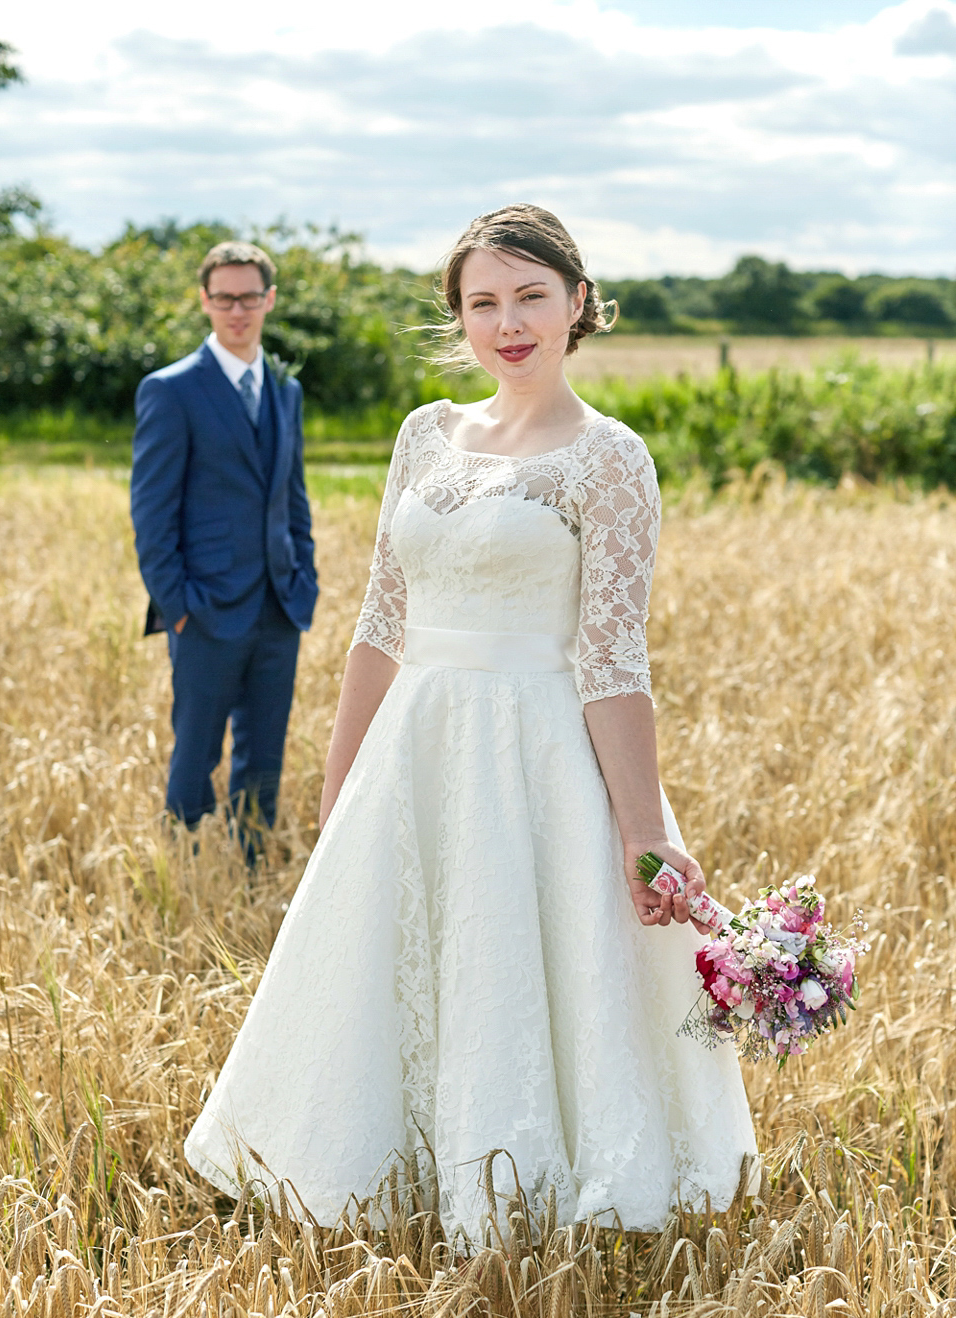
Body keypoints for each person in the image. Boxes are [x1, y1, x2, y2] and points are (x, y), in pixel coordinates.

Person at [185, 205, 755, 1235]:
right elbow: (378, 624)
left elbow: (613, 659)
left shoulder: (608, 457)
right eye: (483, 301)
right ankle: (368, 1172)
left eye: (531, 295)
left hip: (539, 757)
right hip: (415, 746)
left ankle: (516, 1193)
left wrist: (643, 833)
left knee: (519, 966)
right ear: (459, 316)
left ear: (578, 303)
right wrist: (340, 784)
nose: (509, 322)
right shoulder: (424, 434)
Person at [130, 241, 318, 855]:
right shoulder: (171, 390)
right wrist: (177, 606)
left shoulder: (285, 389)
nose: (237, 310)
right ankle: (182, 868)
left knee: (264, 754)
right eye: (223, 298)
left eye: (249, 297)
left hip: (278, 604)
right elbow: (152, 515)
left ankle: (251, 866)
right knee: (196, 752)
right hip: (204, 607)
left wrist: (304, 580)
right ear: (205, 301)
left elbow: (293, 497)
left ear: (269, 300)